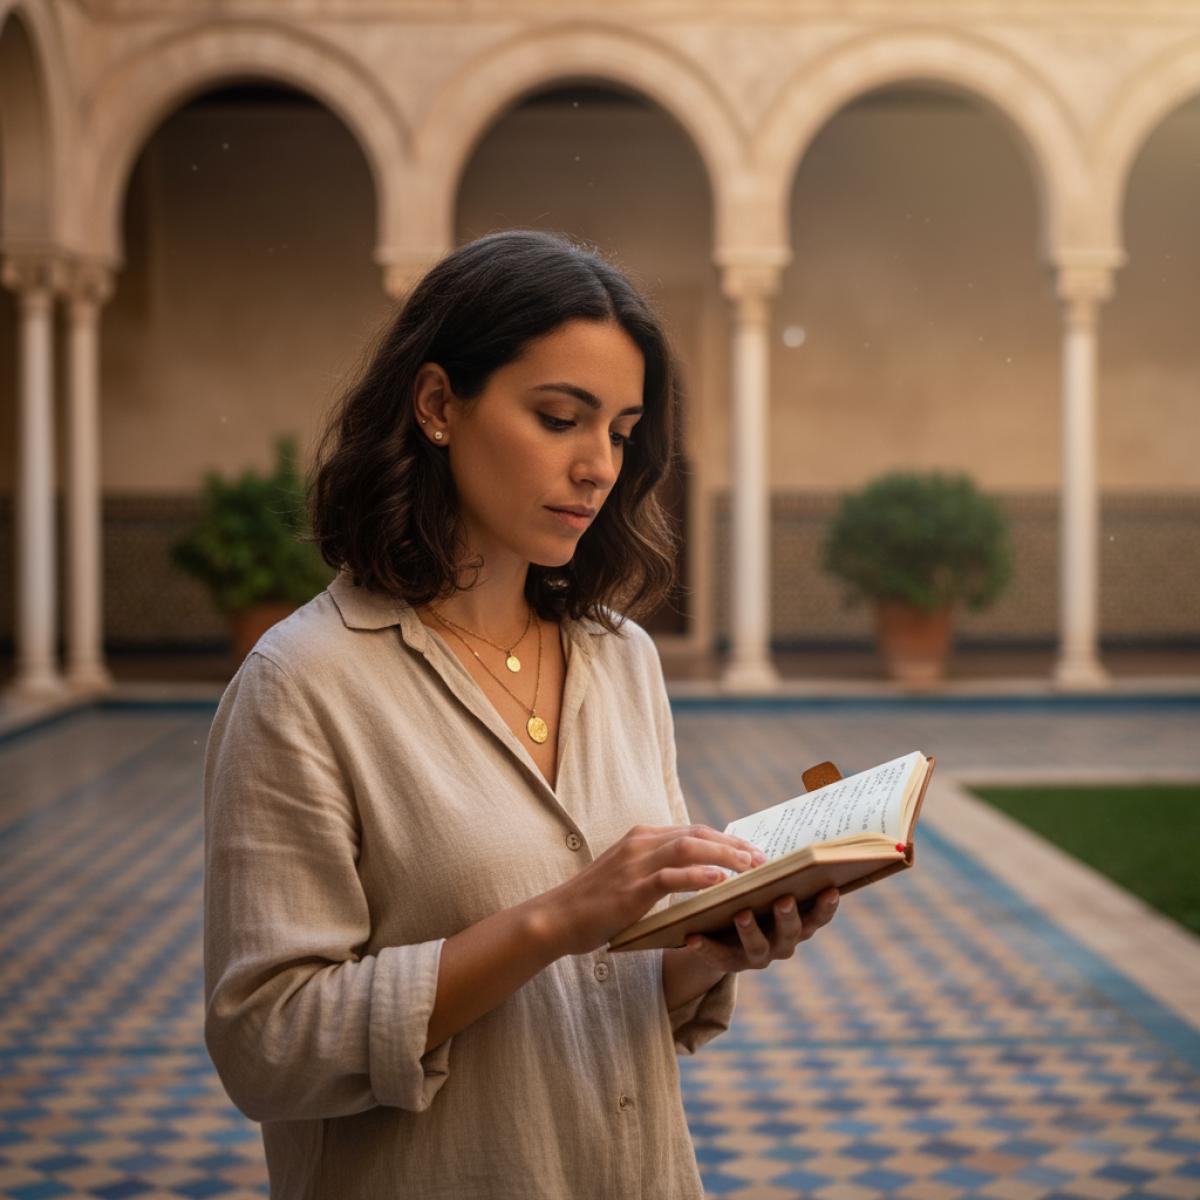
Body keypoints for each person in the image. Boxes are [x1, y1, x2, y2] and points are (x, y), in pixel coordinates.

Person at [202, 229, 840, 1200]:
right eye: (559, 417)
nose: (599, 466)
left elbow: (597, 1003)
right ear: (437, 406)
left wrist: (703, 954)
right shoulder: (305, 684)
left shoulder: (621, 660)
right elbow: (268, 1044)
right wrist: (556, 920)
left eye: (623, 432)